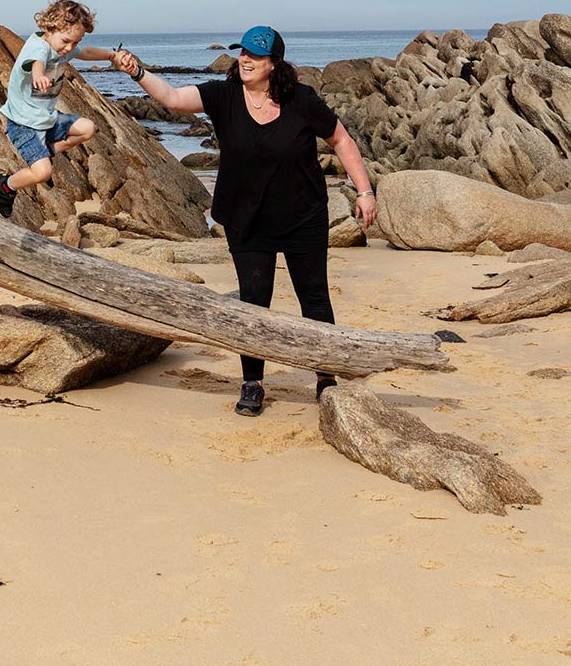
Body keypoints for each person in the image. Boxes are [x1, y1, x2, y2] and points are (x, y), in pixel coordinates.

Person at [115, 25, 377, 416]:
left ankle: (326, 377)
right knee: (254, 302)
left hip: (302, 216)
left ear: (273, 63)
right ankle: (252, 383)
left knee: (315, 298)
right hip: (246, 219)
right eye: (242, 52)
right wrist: (137, 71)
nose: (245, 60)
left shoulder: (301, 100)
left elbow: (341, 140)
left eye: (255, 55)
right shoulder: (223, 97)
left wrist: (364, 191)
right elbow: (171, 98)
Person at [0, 0, 117, 219]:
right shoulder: (38, 47)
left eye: (74, 43)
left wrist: (111, 56)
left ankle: (47, 152)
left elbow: (85, 53)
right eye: (66, 41)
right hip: (24, 124)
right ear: (49, 28)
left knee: (87, 128)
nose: (68, 48)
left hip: (46, 118)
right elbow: (36, 63)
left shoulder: (63, 48)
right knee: (42, 173)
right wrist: (38, 76)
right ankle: (6, 185)